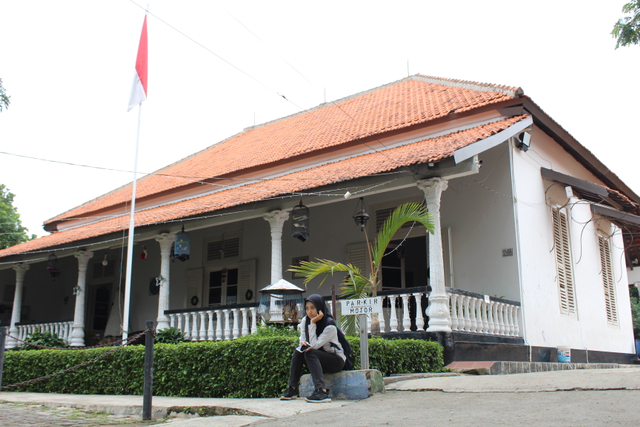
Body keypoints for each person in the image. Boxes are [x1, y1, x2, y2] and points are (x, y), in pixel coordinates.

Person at [280, 294, 345, 403]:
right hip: (318, 359)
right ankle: (291, 389)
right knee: (298, 351)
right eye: (307, 308)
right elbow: (303, 339)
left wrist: (313, 323)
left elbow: (314, 345)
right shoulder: (306, 320)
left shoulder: (329, 325)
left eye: (313, 308)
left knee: (310, 352)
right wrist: (303, 342)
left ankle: (321, 391)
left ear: (319, 308)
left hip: (336, 361)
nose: (309, 312)